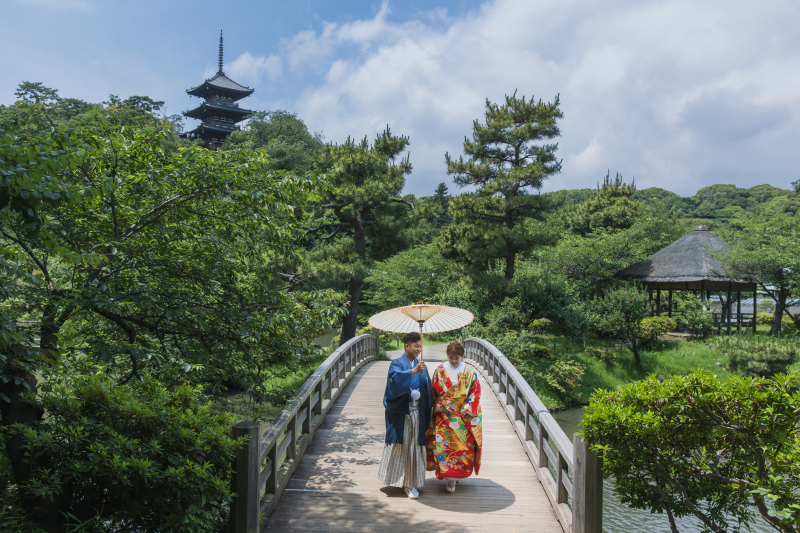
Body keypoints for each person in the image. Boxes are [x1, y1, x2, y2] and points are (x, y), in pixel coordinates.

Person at [377, 331, 431, 499]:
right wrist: (413, 372)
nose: (419, 349)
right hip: (403, 413)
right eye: (416, 346)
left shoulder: (421, 364)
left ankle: (413, 480)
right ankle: (407, 484)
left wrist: (424, 397)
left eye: (420, 346)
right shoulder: (396, 364)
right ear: (407, 346)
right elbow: (393, 383)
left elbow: (428, 387)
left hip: (417, 413)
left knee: (416, 447)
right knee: (405, 447)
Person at [426, 341, 482, 494]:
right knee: (444, 448)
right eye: (451, 358)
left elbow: (475, 393)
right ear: (447, 356)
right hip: (443, 416)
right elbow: (433, 391)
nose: (453, 361)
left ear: (462, 356)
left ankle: (457, 474)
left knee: (462, 448)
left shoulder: (469, 371)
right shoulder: (440, 370)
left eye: (456, 358)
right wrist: (435, 404)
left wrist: (468, 407)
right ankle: (450, 479)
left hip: (461, 417)